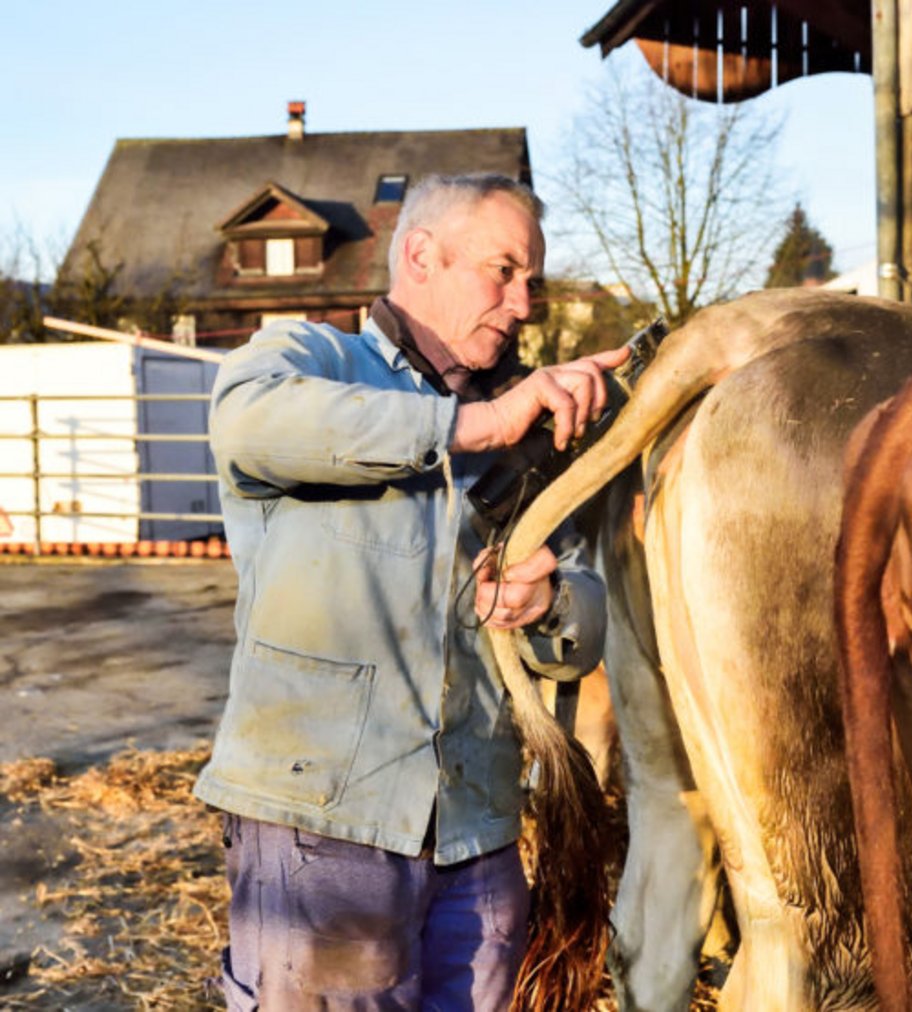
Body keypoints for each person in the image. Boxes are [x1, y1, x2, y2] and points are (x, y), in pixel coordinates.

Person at [194, 173, 628, 1010]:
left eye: (532, 280)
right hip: (323, 825)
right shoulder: (312, 358)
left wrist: (545, 606)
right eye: (504, 271)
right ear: (422, 255)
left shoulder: (531, 431)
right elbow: (246, 419)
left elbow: (586, 614)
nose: (524, 303)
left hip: (477, 836)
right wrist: (472, 427)